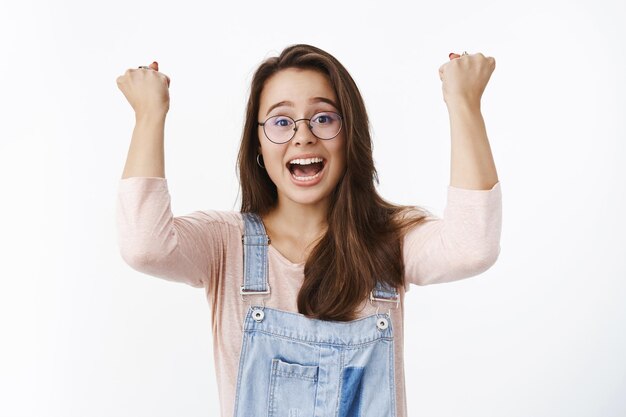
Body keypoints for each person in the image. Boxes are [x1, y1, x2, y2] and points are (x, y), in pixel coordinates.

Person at [115, 44, 501, 417]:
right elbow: (145, 246)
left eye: (324, 118)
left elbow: (472, 247)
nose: (303, 136)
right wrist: (150, 114)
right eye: (281, 121)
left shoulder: (390, 240)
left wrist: (464, 103)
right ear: (258, 145)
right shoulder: (224, 243)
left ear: (351, 135)